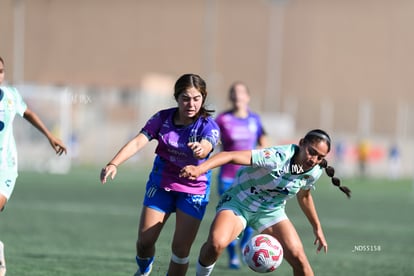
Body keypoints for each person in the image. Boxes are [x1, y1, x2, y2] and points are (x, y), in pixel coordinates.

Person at [180, 129, 351, 276]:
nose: (313, 159)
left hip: (270, 211)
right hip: (239, 203)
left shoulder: (313, 171)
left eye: (320, 157)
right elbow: (229, 156)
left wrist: (317, 227)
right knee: (216, 244)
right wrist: (199, 169)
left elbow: (304, 196)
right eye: (311, 152)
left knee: (300, 260)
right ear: (302, 143)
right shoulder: (276, 157)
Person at [100, 73, 220, 276]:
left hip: (193, 190)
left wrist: (201, 149)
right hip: (162, 184)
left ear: (203, 98)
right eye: (185, 98)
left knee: (180, 250)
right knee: (145, 242)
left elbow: (208, 143)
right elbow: (139, 141)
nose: (191, 103)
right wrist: (114, 163)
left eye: (196, 98)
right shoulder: (162, 118)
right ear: (176, 98)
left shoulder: (208, 126)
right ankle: (145, 268)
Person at [0, 56, 67, 276]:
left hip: (5, 166)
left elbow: (27, 112)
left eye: (1, 71)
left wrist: (49, 136)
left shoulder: (11, 96)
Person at [214, 81, 267, 269]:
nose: (238, 96)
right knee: (228, 215)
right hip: (228, 176)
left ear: (248, 97)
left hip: (251, 178)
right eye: (234, 92)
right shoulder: (222, 119)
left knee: (251, 215)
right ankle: (232, 256)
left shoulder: (255, 119)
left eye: (242, 92)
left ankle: (245, 247)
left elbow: (263, 142)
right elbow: (212, 139)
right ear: (230, 97)